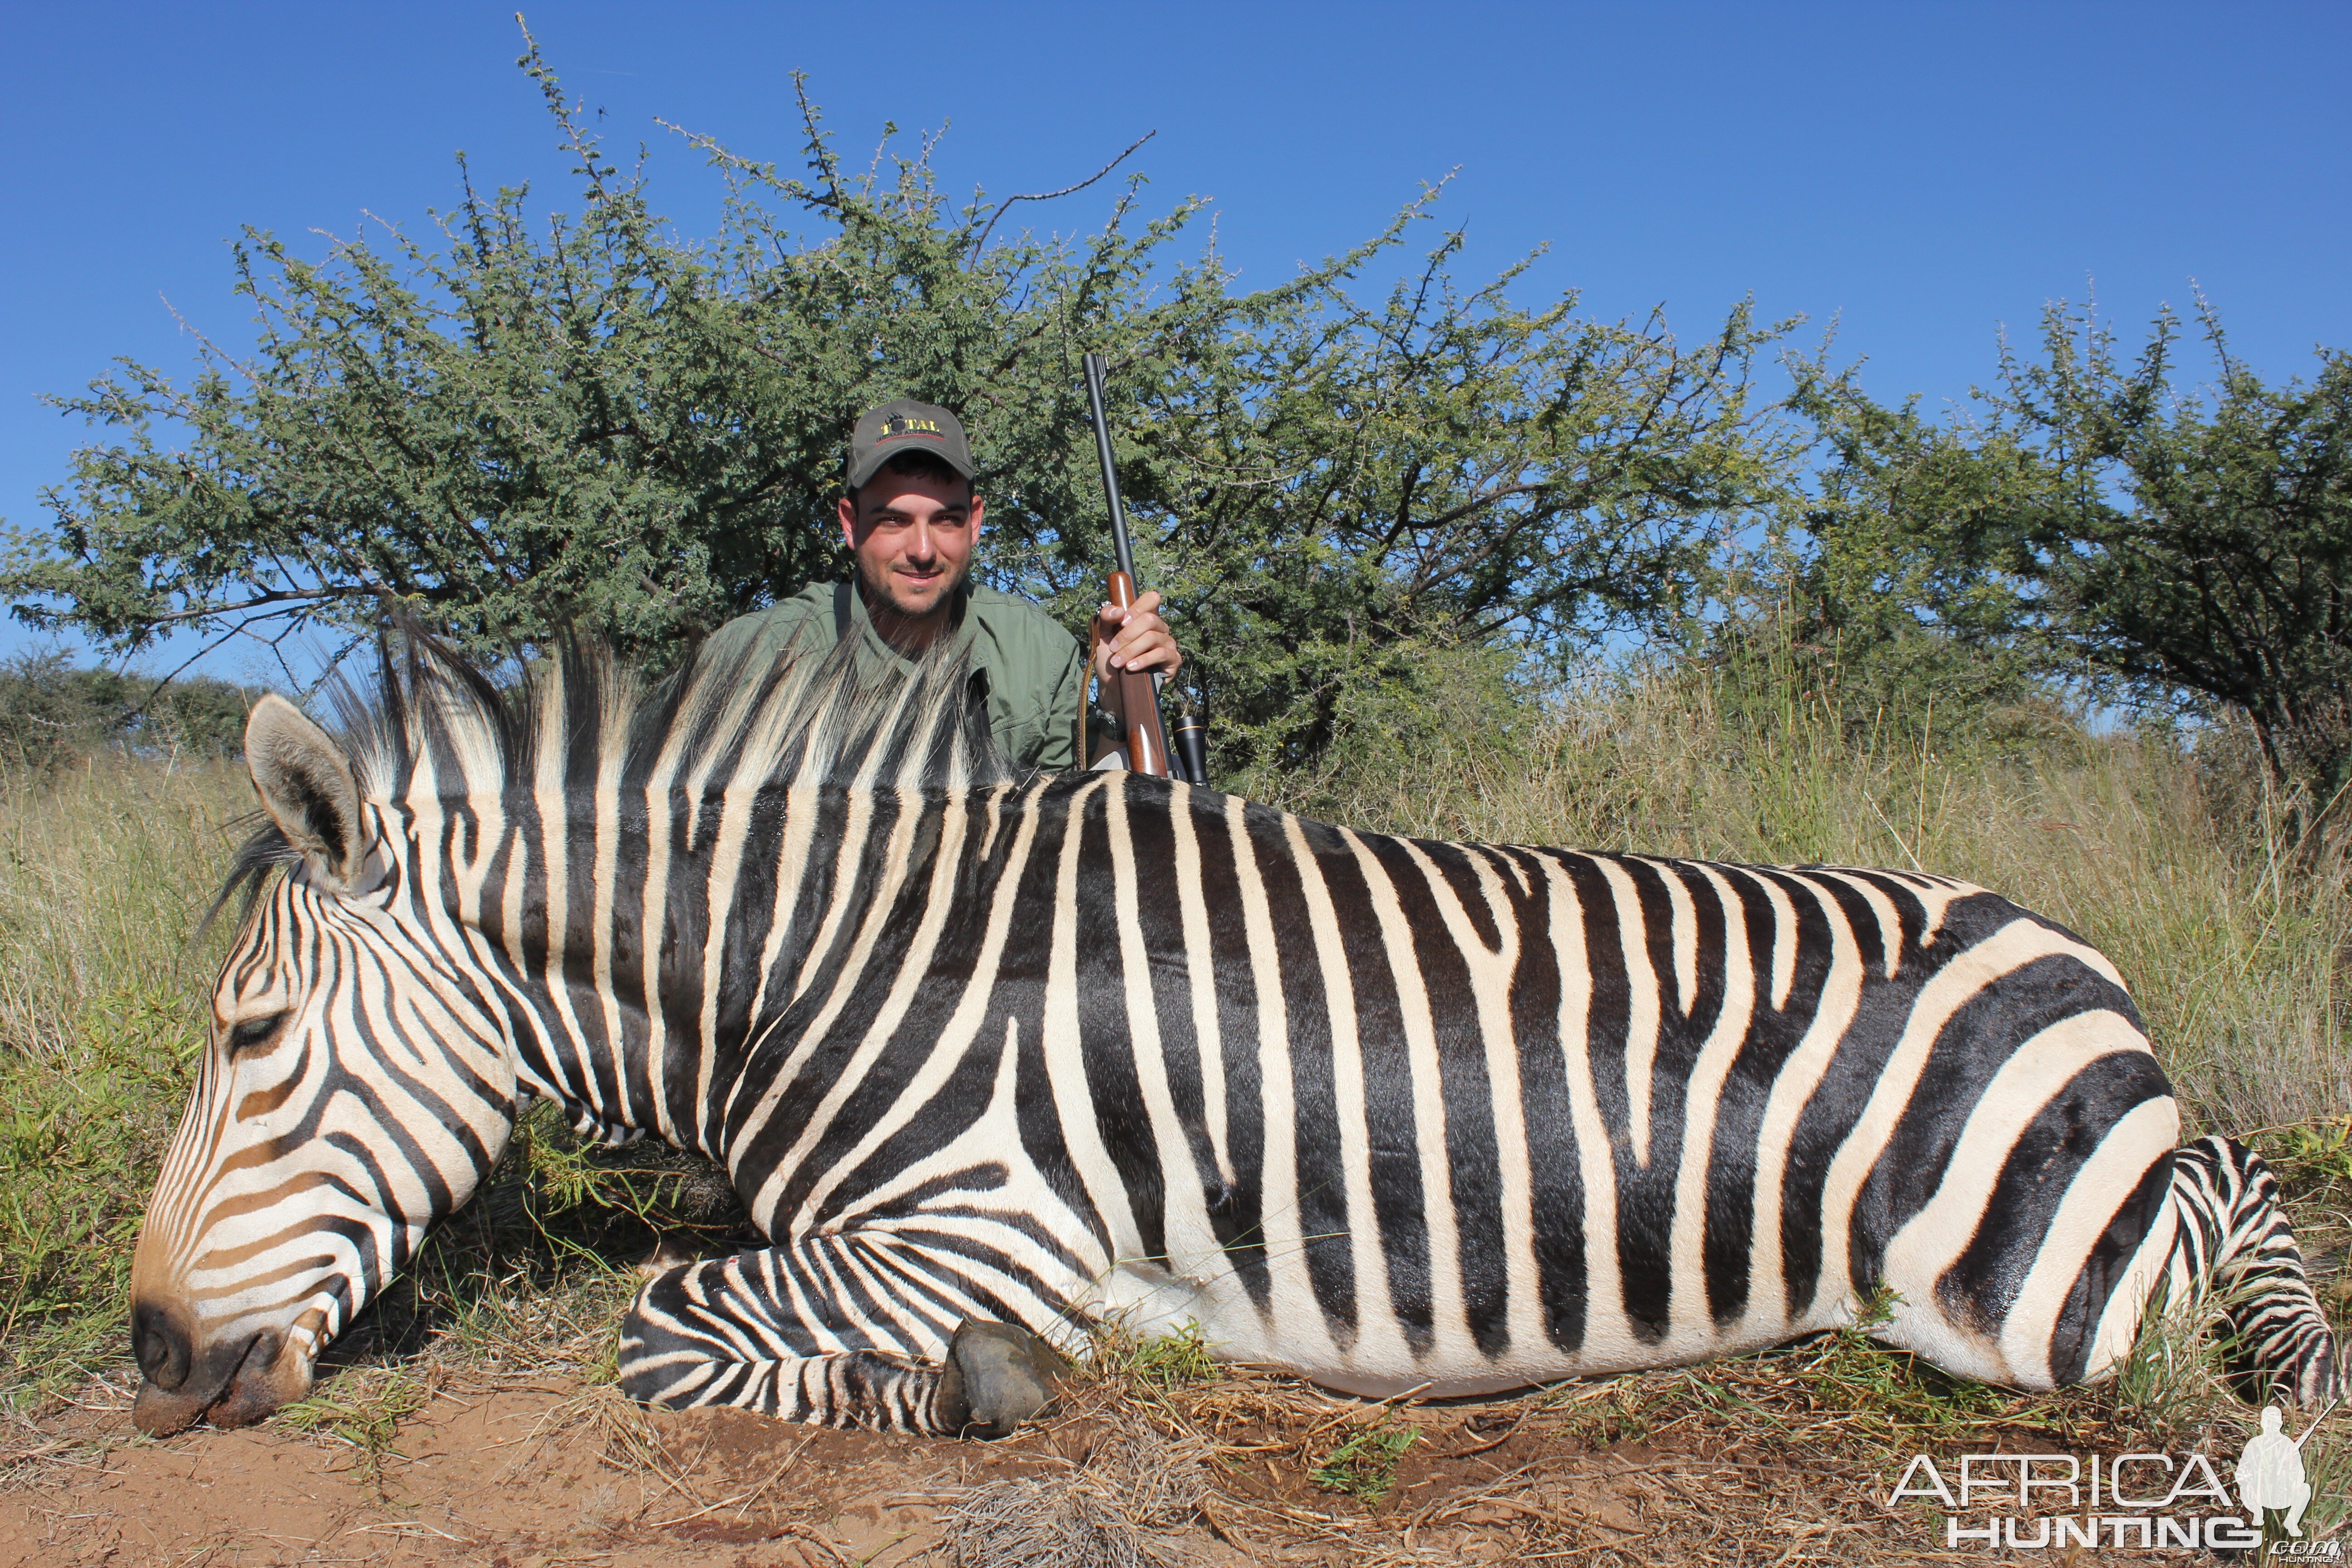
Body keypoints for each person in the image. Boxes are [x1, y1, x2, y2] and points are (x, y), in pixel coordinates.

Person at [701, 398, 1181, 770]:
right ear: (849, 524)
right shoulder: (754, 657)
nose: (924, 550)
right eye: (893, 522)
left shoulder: (1042, 653)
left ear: (974, 522)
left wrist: (1119, 704)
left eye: (946, 520)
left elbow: (1085, 829)